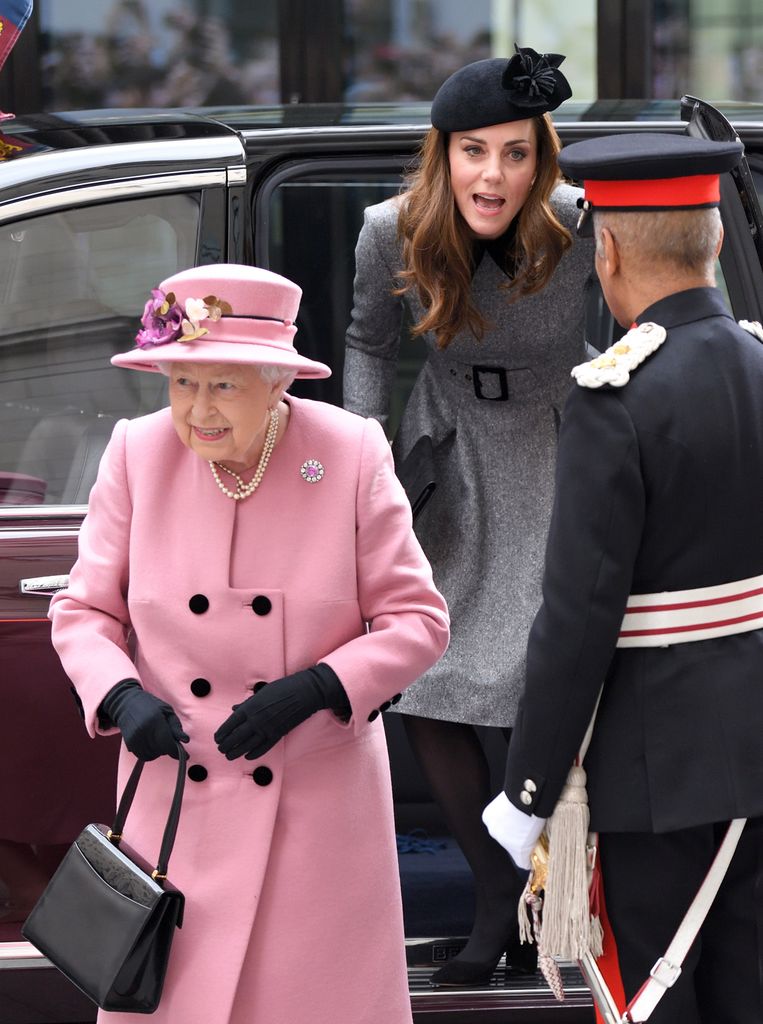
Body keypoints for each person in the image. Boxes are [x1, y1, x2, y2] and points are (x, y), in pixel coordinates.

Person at [48, 263, 450, 1024]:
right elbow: (84, 610)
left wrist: (323, 686)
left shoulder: (347, 452)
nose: (197, 411)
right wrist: (119, 693)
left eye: (224, 386)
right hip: (177, 806)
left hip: (313, 813)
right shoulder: (138, 453)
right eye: (180, 384)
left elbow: (418, 621)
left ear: (277, 382)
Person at [483, 132, 763, 1023]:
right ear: (716, 241)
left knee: (652, 998)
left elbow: (575, 622)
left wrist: (526, 795)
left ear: (603, 249)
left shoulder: (614, 400)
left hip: (656, 775)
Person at [343, 47, 595, 985]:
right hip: (445, 458)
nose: (494, 174)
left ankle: (556, 898)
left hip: (559, 450)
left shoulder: (578, 225)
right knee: (427, 675)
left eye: (517, 153)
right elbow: (367, 340)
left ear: (542, 160)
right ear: (442, 153)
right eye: (475, 151)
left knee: (539, 676)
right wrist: (363, 471)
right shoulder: (390, 230)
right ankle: (495, 891)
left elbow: (639, 323)